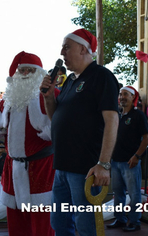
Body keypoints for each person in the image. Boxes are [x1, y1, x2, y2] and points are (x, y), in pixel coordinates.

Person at [40, 29, 119, 235]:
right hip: (62, 167)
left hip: (86, 170)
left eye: (67, 47)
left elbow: (112, 120)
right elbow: (56, 118)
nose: (61, 52)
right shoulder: (70, 81)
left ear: (83, 48)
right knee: (59, 224)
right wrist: (49, 97)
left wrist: (103, 164)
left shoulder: (102, 76)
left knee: (86, 227)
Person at [0, 51, 59, 236]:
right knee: (17, 223)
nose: (25, 74)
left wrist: (49, 133)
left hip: (41, 167)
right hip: (13, 167)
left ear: (40, 74)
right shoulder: (9, 98)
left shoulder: (51, 94)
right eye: (22, 70)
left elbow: (65, 124)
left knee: (42, 222)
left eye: (30, 70)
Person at [106, 86, 148, 232]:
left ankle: (135, 222)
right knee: (117, 193)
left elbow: (146, 138)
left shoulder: (138, 115)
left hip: (130, 161)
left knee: (134, 193)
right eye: (120, 94)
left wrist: (137, 156)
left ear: (133, 97)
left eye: (125, 94)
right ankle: (120, 219)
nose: (122, 96)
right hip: (115, 161)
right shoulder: (117, 114)